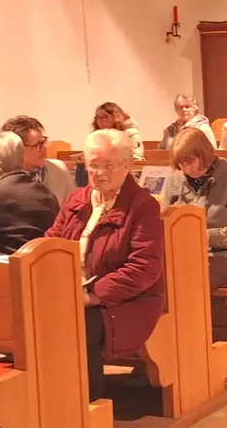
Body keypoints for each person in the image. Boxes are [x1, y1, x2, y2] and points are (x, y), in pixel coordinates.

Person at [46, 129, 164, 402]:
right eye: (93, 165)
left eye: (108, 165)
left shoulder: (143, 206)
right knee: (36, 324)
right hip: (73, 294)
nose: (99, 173)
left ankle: (88, 408)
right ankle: (51, 405)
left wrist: (92, 295)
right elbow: (52, 242)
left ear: (127, 166)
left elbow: (144, 267)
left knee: (78, 326)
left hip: (127, 301)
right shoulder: (77, 200)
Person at [162, 128, 227, 290]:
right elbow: (165, 224)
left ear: (203, 154)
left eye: (189, 161)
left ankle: (195, 316)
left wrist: (205, 236)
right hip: (185, 254)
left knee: (193, 280)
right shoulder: (175, 181)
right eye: (181, 163)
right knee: (155, 278)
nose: (186, 168)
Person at [2, 115, 75, 203]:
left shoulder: (59, 169)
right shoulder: (0, 176)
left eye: (43, 142)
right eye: (37, 145)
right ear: (17, 149)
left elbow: (73, 207)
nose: (44, 148)